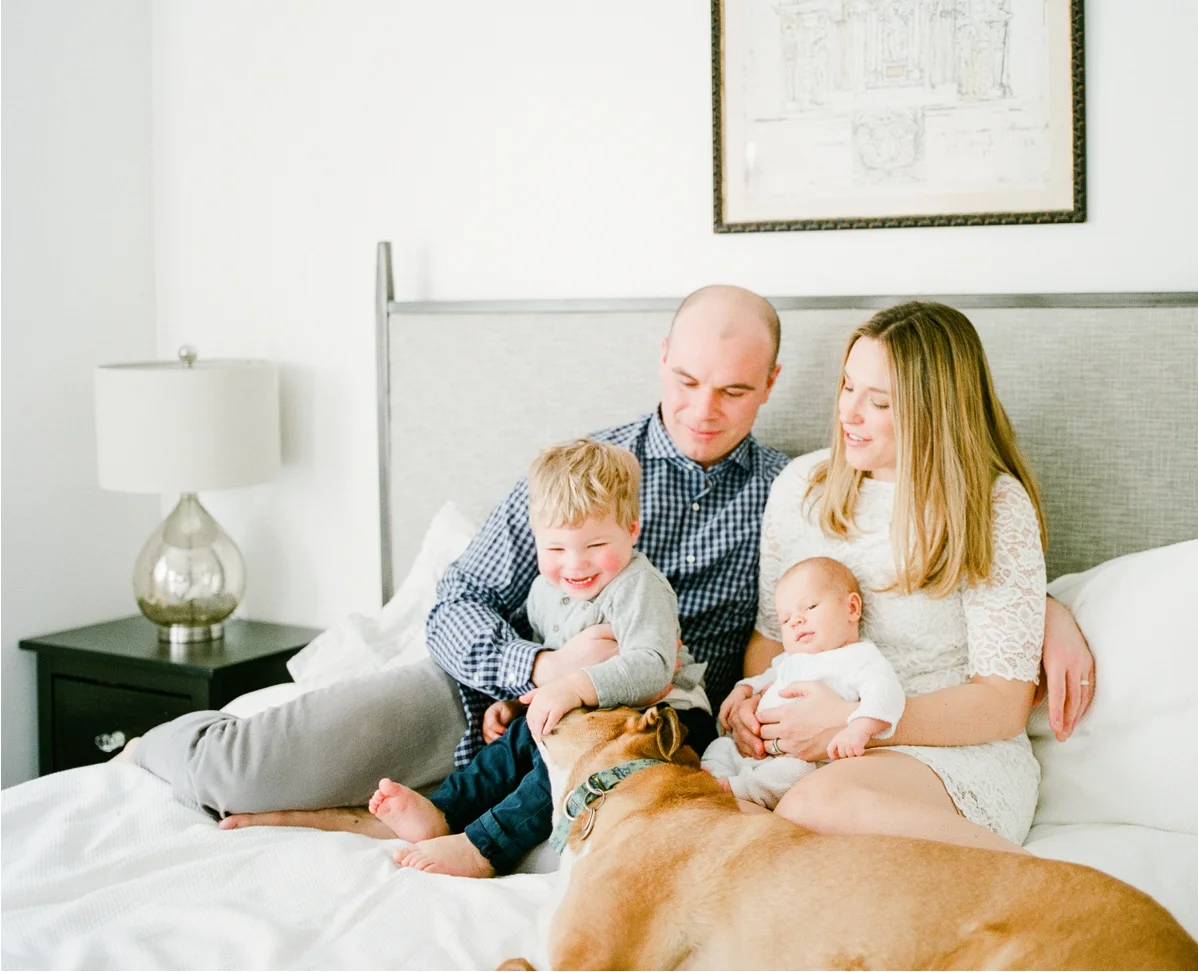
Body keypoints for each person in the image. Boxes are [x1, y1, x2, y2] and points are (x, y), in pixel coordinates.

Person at [125, 286, 1097, 836]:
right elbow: (457, 602)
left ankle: (386, 824)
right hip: (481, 707)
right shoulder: (588, 470)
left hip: (636, 736)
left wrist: (1044, 602)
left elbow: (893, 565)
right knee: (243, 764)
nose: (702, 408)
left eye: (729, 389)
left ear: (768, 386)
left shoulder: (786, 490)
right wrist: (535, 668)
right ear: (658, 357)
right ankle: (134, 748)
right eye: (683, 379)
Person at [722, 301, 1051, 850]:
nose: (849, 413)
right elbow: (772, 640)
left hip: (944, 754)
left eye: (878, 401)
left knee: (812, 807)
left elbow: (1001, 704)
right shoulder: (802, 487)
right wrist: (755, 703)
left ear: (934, 412)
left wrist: (856, 722)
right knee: (711, 818)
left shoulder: (992, 506)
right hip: (815, 750)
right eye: (848, 386)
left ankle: (1084, 907)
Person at [365, 438, 710, 877]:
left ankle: (485, 847)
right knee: (516, 743)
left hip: (666, 718)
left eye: (594, 545)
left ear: (632, 530)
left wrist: (571, 687)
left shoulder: (638, 587)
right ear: (536, 542)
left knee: (563, 765)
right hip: (585, 710)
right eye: (556, 549)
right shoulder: (543, 592)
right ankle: (444, 812)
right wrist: (523, 701)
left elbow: (653, 667)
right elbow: (555, 660)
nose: (575, 565)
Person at [702, 556, 905, 810]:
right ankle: (709, 777)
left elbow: (886, 694)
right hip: (756, 751)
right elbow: (764, 678)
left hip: (801, 757)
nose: (796, 621)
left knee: (794, 774)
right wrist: (743, 689)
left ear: (852, 608)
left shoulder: (859, 658)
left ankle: (737, 789)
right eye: (785, 620)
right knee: (720, 747)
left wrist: (859, 730)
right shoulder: (790, 659)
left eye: (809, 607)